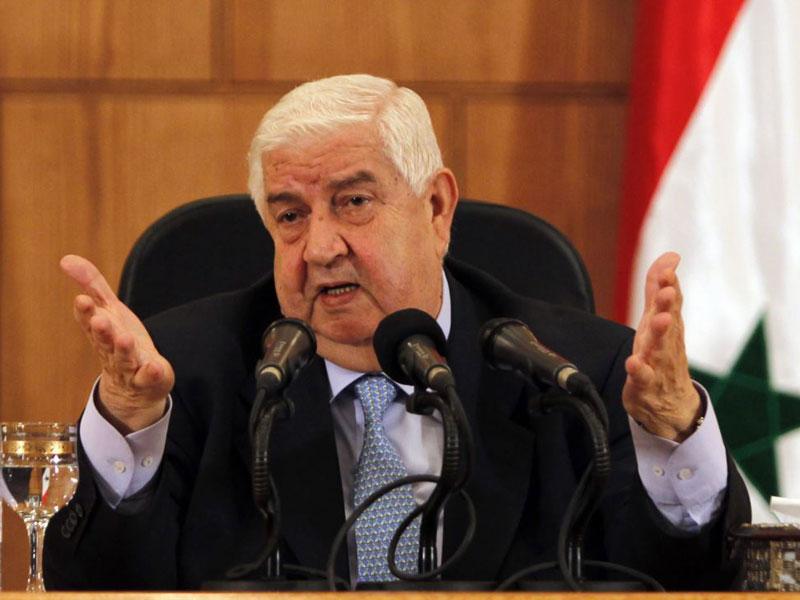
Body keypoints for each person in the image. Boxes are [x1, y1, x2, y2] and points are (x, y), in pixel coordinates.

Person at [46, 74, 749, 590]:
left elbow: (691, 585)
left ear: (437, 208)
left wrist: (673, 433)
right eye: (290, 216)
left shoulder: (578, 375)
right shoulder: (188, 373)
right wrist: (128, 426)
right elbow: (90, 589)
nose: (321, 248)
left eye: (353, 202)